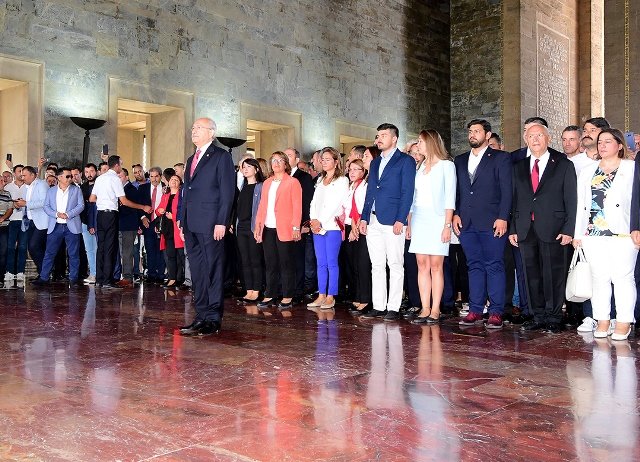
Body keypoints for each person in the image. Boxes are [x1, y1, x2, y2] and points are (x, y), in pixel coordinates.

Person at [509, 124, 577, 333]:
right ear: (525, 139)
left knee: (553, 275)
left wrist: (569, 229)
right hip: (525, 228)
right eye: (531, 136)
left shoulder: (563, 164)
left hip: (554, 228)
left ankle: (554, 317)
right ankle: (537, 315)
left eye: (539, 135)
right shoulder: (518, 166)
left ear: (548, 138)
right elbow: (514, 200)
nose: (535, 139)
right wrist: (513, 228)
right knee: (532, 275)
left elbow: (571, 199)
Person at [577, 129, 636, 341]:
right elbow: (581, 205)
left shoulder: (631, 168)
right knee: (599, 278)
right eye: (600, 142)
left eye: (607, 141)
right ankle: (602, 318)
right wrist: (578, 233)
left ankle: (623, 321)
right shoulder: (588, 170)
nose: (602, 145)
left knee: (622, 277)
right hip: (593, 232)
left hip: (622, 231)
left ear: (619, 145)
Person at [178, 117, 235, 336]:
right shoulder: (192, 158)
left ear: (211, 132)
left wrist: (222, 221)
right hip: (191, 223)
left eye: (198, 128)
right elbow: (187, 191)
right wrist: (182, 220)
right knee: (198, 272)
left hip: (212, 223)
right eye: (193, 128)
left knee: (213, 270)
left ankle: (213, 317)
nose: (194, 131)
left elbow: (227, 192)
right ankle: (200, 316)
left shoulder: (221, 157)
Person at [454, 119, 512, 329]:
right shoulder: (459, 160)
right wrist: (456, 214)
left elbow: (507, 190)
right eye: (470, 131)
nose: (472, 134)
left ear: (487, 135)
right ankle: (476, 309)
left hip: (492, 221)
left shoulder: (500, 158)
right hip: (466, 222)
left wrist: (503, 217)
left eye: (477, 131)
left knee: (494, 265)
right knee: (473, 265)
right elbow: (458, 191)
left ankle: (496, 311)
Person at [359, 123, 416, 321]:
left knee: (395, 263)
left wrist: (401, 219)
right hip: (373, 219)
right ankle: (379, 305)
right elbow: (370, 191)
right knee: (376, 265)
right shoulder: (375, 163)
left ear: (394, 138)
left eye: (383, 135)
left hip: (393, 220)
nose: (379, 139)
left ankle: (393, 306)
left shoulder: (405, 161)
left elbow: (407, 192)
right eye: (378, 135)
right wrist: (364, 217)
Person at [408, 130, 456, 325]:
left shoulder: (446, 165)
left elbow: (449, 198)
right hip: (419, 217)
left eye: (420, 141)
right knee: (421, 264)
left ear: (431, 142)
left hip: (438, 219)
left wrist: (447, 225)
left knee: (436, 265)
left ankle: (435, 308)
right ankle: (424, 307)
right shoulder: (419, 167)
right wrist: (409, 223)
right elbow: (413, 198)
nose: (418, 145)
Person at [89, 155, 151, 289]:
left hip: (100, 215)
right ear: (116, 165)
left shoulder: (99, 179)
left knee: (101, 247)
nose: (121, 167)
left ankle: (99, 279)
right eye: (120, 164)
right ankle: (107, 280)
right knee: (110, 247)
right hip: (111, 215)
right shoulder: (115, 179)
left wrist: (105, 199)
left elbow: (92, 199)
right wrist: (142, 207)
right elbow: (124, 201)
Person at [254, 151, 302, 311]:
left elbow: (297, 206)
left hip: (285, 228)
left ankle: (288, 295)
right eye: (273, 160)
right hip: (268, 227)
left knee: (286, 263)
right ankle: (270, 293)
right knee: (270, 263)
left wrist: (296, 226)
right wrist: (258, 225)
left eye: (280, 160)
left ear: (285, 164)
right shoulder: (267, 182)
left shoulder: (293, 182)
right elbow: (262, 206)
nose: (276, 163)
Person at [307, 147, 349, 311]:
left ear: (336, 162)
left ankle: (331, 295)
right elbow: (313, 203)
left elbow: (336, 204)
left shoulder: (342, 180)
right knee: (320, 263)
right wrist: (313, 220)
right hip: (317, 227)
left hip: (331, 227)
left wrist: (321, 221)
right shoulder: (320, 180)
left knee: (331, 262)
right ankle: (321, 294)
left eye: (327, 159)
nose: (324, 162)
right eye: (322, 159)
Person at [31, 168, 84, 286]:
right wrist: (56, 214)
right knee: (49, 253)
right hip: (55, 226)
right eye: (68, 176)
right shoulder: (51, 191)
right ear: (59, 177)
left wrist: (68, 214)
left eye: (70, 176)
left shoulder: (76, 190)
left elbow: (81, 205)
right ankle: (44, 277)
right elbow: (46, 206)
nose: (71, 178)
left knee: (73, 254)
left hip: (72, 226)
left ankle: (73, 278)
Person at [343, 158, 371, 314]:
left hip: (361, 227)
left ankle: (365, 299)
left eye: (356, 169)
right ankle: (357, 296)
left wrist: (355, 228)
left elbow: (362, 209)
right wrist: (352, 228)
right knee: (353, 265)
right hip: (351, 227)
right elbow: (349, 210)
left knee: (363, 265)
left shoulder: (365, 186)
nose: (352, 172)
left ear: (364, 171)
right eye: (350, 169)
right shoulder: (351, 186)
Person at [235, 158, 265, 302]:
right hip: (241, 227)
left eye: (248, 167)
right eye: (244, 167)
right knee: (244, 260)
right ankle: (249, 290)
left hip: (253, 227)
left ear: (256, 169)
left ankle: (257, 290)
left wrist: (259, 227)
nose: (245, 169)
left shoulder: (261, 186)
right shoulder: (242, 186)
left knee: (255, 260)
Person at [15, 166, 49, 278]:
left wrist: (26, 204)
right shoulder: (27, 187)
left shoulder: (42, 184)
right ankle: (43, 273)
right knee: (34, 248)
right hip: (30, 222)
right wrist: (19, 205)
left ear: (33, 175)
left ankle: (45, 273)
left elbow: (44, 202)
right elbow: (27, 203)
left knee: (34, 247)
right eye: (21, 175)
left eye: (24, 175)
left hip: (41, 222)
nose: (22, 177)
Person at [156, 174, 185, 289]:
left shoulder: (181, 195)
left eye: (176, 180)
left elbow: (182, 213)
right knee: (171, 255)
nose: (173, 181)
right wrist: (160, 210)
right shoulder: (165, 196)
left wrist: (173, 217)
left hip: (177, 230)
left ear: (180, 183)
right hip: (168, 230)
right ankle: (172, 278)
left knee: (181, 256)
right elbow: (157, 211)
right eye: (172, 179)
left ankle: (182, 279)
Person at [138, 167, 166, 283]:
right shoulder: (143, 188)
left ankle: (160, 275)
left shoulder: (166, 188)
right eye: (152, 176)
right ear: (149, 177)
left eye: (156, 176)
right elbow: (138, 205)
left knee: (161, 249)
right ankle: (151, 275)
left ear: (160, 176)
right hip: (148, 222)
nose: (154, 179)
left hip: (161, 222)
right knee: (149, 249)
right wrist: (143, 217)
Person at [4, 164, 27, 282]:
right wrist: (13, 204)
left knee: (23, 247)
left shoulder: (28, 187)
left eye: (23, 171)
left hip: (24, 221)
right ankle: (9, 271)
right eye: (19, 171)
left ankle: (20, 272)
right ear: (14, 173)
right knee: (10, 246)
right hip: (11, 220)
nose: (21, 174)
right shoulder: (8, 187)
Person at [80, 163, 98, 284]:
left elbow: (93, 203)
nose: (89, 174)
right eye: (86, 172)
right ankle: (93, 273)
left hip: (97, 221)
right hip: (84, 221)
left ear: (96, 172)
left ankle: (99, 273)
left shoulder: (99, 185)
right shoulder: (83, 186)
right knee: (89, 249)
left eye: (91, 171)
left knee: (97, 248)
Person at [0, 175, 13, 287]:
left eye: (3, 180)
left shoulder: (7, 194)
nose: (2, 181)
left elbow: (10, 208)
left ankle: (0, 277)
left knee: (3, 252)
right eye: (0, 180)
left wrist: (3, 217)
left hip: (4, 226)